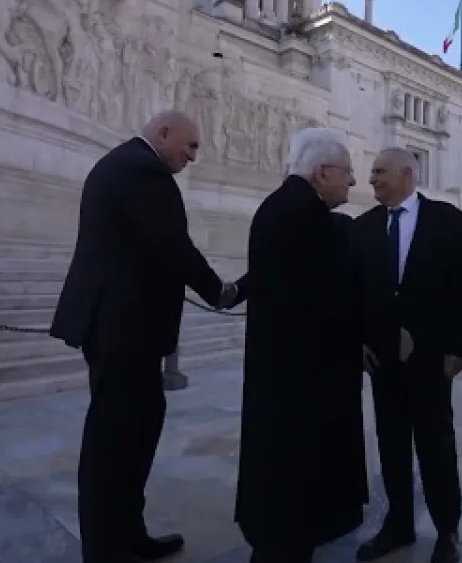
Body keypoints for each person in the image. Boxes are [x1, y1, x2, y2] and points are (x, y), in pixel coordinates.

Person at [49, 110, 240, 563]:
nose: (193, 157)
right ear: (163, 133)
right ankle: (106, 548)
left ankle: (128, 533)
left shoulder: (124, 165)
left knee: (136, 432)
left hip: (124, 329)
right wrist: (218, 290)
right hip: (122, 330)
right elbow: (172, 245)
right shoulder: (142, 171)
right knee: (113, 444)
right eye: (190, 146)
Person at [233, 127, 366, 563]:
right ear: (322, 171)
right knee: (294, 488)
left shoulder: (279, 206)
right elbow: (332, 300)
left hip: (281, 371)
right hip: (304, 379)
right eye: (347, 173)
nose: (352, 182)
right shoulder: (308, 217)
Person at [351, 147, 462, 563]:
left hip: (432, 357)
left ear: (407, 174)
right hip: (382, 359)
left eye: (379, 172)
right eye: (371, 173)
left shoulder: (448, 220)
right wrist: (362, 342)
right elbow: (356, 292)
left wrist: (458, 349)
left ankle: (447, 530)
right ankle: (399, 524)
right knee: (390, 444)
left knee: (436, 445)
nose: (371, 180)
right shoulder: (364, 226)